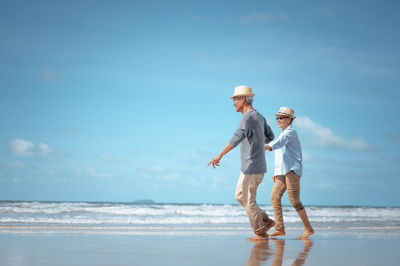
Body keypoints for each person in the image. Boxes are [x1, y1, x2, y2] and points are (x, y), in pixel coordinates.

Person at [208, 85, 275, 241]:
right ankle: (265, 220)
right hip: (254, 167)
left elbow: (236, 138)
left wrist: (219, 155)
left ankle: (260, 233)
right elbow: (270, 136)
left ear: (243, 99)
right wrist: (257, 144)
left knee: (248, 199)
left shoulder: (247, 117)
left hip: (252, 167)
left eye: (235, 99)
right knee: (240, 196)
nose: (233, 103)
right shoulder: (259, 116)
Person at [265, 107, 314, 239]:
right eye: (277, 118)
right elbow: (280, 155)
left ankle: (308, 229)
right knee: (274, 196)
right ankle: (280, 228)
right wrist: (276, 172)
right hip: (282, 172)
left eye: (282, 117)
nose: (278, 120)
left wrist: (269, 146)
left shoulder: (290, 133)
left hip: (292, 170)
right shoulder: (282, 133)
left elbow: (279, 143)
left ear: (289, 119)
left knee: (294, 201)